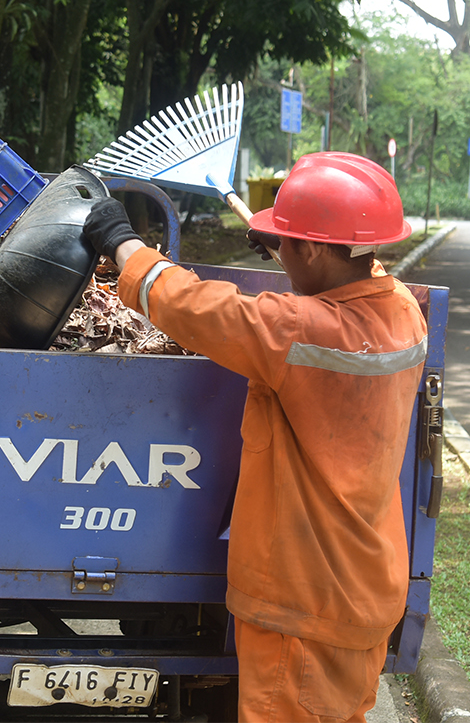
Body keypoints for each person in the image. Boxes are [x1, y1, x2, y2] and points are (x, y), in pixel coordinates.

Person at [83, 152, 428, 722]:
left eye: (289, 241)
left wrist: (122, 241)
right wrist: (287, 250)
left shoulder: (293, 332)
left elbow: (192, 306)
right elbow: (332, 292)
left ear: (316, 249)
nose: (282, 249)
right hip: (364, 587)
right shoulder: (403, 313)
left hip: (302, 603)